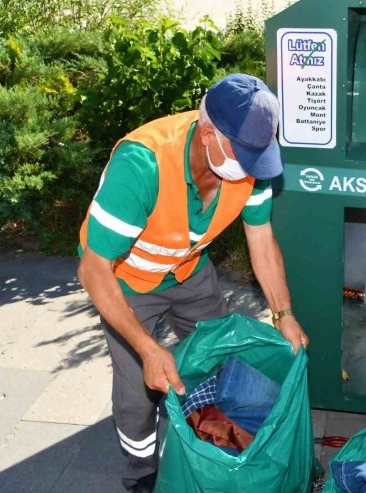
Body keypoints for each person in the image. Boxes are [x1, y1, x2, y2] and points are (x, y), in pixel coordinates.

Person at [77, 74, 308, 492]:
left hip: (188, 268)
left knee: (218, 356)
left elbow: (261, 239)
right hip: (125, 282)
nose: (253, 169)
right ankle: (142, 471)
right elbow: (94, 270)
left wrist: (284, 313)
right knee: (137, 392)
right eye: (245, 155)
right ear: (207, 135)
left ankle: (207, 431)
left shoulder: (249, 167)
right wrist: (148, 349)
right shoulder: (143, 165)